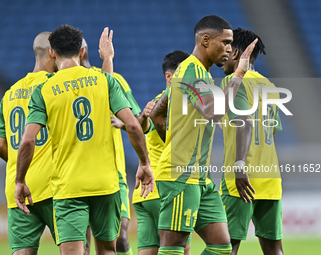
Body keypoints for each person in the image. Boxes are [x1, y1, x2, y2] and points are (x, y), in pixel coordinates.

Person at [15, 24, 154, 255]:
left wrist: (20, 180)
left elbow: (28, 140)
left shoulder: (43, 90)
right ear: (81, 52)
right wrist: (144, 163)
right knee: (108, 251)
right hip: (105, 185)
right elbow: (132, 124)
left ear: (52, 53)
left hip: (68, 187)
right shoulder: (104, 80)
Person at [150, 15, 257, 255]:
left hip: (200, 176)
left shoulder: (199, 74)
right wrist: (238, 74)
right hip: (181, 176)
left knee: (221, 247)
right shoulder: (191, 71)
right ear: (206, 40)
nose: (229, 50)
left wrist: (174, 138)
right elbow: (213, 113)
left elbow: (157, 114)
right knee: (173, 247)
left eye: (231, 44)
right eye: (226, 42)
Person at [220, 28, 283, 255]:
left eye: (227, 48)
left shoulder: (234, 81)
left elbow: (244, 122)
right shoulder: (271, 87)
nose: (224, 54)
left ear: (236, 52)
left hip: (240, 179)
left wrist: (239, 164)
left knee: (227, 248)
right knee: (274, 249)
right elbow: (272, 133)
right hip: (270, 177)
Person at [80, 35, 145, 255]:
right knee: (84, 244)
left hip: (113, 172)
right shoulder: (63, 85)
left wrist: (126, 123)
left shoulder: (115, 80)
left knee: (121, 239)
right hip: (77, 172)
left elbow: (137, 121)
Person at [0, 32, 57, 255]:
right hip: (54, 186)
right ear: (53, 53)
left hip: (18, 188)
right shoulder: (55, 86)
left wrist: (22, 165)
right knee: (77, 249)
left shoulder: (9, 94)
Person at [132, 50, 193, 255]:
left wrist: (141, 117)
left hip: (144, 195)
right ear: (169, 77)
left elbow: (140, 130)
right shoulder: (178, 105)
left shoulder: (153, 105)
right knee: (180, 250)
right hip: (167, 191)